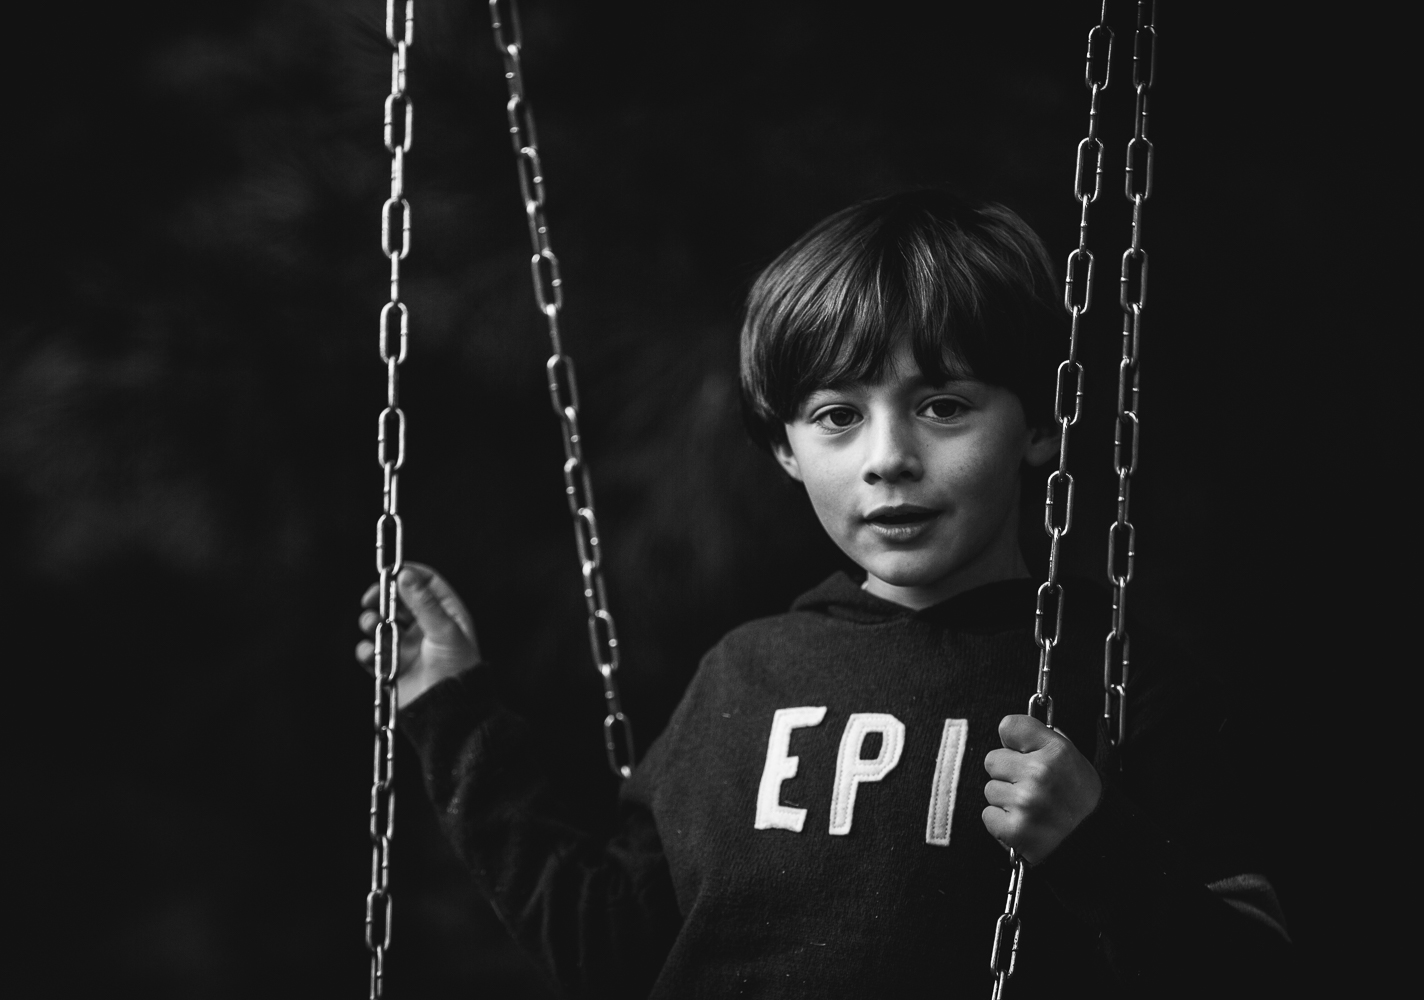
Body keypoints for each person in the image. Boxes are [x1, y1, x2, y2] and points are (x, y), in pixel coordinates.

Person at [356, 190, 1293, 998]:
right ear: (785, 450)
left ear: (1038, 424)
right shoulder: (746, 678)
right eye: (838, 417)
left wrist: (1098, 848)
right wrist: (447, 706)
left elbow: (1254, 975)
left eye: (944, 406)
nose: (889, 459)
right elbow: (612, 955)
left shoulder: (1126, 688)